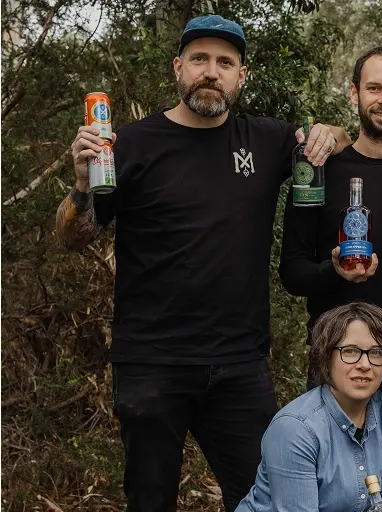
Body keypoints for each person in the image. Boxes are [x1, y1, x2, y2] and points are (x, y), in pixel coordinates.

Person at [56, 15, 349, 511]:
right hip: (151, 363)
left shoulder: (268, 139)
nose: (211, 72)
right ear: (178, 68)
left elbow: (339, 139)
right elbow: (72, 235)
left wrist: (329, 134)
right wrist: (82, 184)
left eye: (224, 62)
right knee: (150, 501)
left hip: (239, 363)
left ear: (242, 76)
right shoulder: (130, 143)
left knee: (268, 498)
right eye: (199, 60)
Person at [278, 45, 382, 456]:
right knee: (332, 487)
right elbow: (292, 272)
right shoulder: (321, 170)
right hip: (335, 364)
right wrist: (334, 271)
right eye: (373, 88)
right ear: (354, 94)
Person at [235, 302, 382, 511]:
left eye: (376, 352)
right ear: (326, 356)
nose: (364, 364)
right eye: (350, 351)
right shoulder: (295, 429)